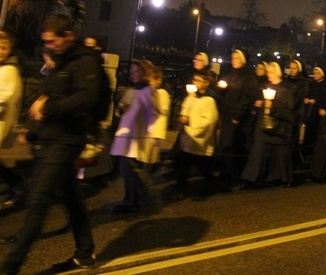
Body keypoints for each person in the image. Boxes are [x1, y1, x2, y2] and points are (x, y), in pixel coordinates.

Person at [1, 15, 98, 274]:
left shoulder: (85, 62)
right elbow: (45, 98)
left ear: (68, 36)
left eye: (53, 41)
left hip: (67, 141)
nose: (49, 47)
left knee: (38, 199)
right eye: (46, 42)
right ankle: (85, 252)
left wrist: (49, 107)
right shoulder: (62, 62)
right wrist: (32, 131)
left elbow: (86, 98)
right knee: (71, 197)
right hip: (53, 138)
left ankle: (10, 266)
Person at [109, 59, 158, 212]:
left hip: (135, 139)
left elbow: (153, 113)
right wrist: (123, 109)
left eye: (137, 72)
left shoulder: (148, 91)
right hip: (126, 137)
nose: (133, 75)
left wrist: (139, 122)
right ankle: (132, 200)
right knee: (126, 171)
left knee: (132, 171)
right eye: (132, 72)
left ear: (145, 73)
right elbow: (126, 109)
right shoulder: (134, 90)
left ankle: (141, 199)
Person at [240, 62, 296, 188]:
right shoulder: (265, 88)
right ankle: (251, 179)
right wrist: (258, 105)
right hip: (263, 129)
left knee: (280, 156)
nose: (268, 74)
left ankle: (282, 179)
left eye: (270, 72)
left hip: (279, 130)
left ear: (277, 73)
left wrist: (274, 107)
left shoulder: (286, 91)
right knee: (257, 154)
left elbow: (290, 114)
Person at [166, 69, 219, 200]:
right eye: (194, 80)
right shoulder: (192, 97)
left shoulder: (209, 100)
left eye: (198, 80)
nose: (195, 82)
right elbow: (184, 110)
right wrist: (182, 119)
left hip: (199, 141)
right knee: (184, 165)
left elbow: (210, 121)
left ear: (206, 83)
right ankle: (179, 189)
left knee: (203, 167)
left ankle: (211, 184)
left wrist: (190, 121)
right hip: (188, 139)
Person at [216, 50, 258, 185]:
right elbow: (226, 95)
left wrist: (237, 114)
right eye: (232, 58)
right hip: (228, 114)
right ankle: (225, 172)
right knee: (225, 144)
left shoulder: (249, 77)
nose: (234, 60)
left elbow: (248, 98)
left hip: (240, 118)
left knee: (237, 145)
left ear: (243, 60)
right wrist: (221, 89)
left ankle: (237, 174)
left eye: (237, 58)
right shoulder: (230, 74)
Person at [0, 30, 24, 208]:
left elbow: (4, 97)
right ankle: (17, 183)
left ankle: (17, 183)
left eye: (4, 47)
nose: (1, 51)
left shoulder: (9, 70)